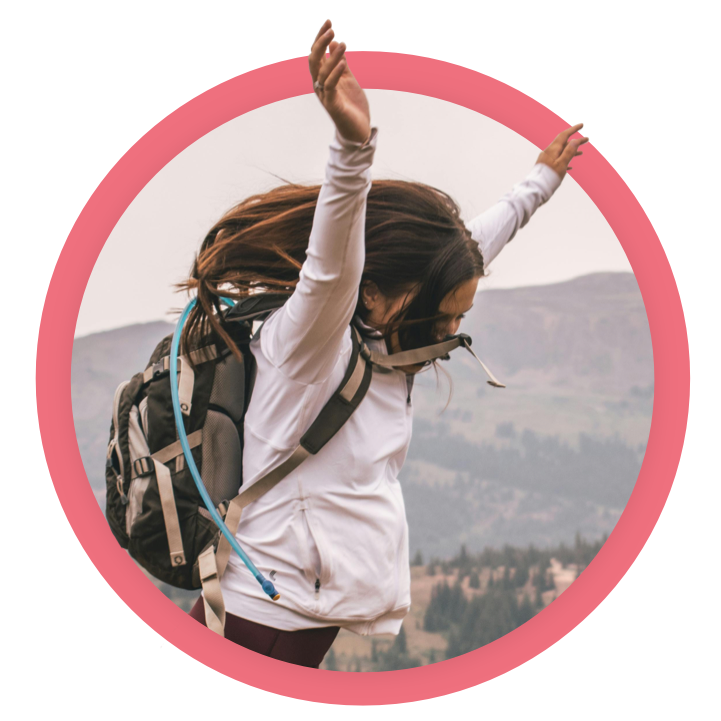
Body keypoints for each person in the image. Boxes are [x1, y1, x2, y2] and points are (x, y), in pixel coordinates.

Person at [187, 19, 590, 668]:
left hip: (292, 613)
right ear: (376, 292)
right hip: (259, 620)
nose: (452, 331)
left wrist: (538, 182)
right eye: (446, 315)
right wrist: (352, 149)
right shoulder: (310, 344)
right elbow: (330, 267)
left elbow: (476, 244)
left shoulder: (396, 330)